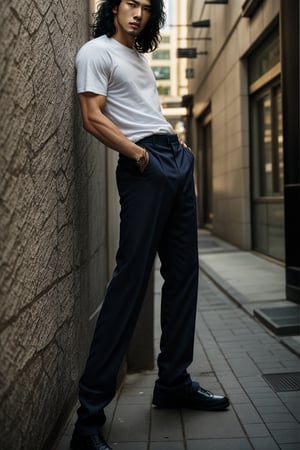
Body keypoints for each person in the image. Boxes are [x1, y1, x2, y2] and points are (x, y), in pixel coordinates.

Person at [71, 1, 230, 449]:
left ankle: (174, 382)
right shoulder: (95, 52)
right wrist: (140, 156)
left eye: (146, 6)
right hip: (144, 167)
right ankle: (88, 420)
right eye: (131, 3)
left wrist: (179, 152)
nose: (138, 13)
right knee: (131, 282)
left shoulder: (138, 57)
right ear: (115, 7)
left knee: (183, 277)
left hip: (173, 161)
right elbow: (92, 116)